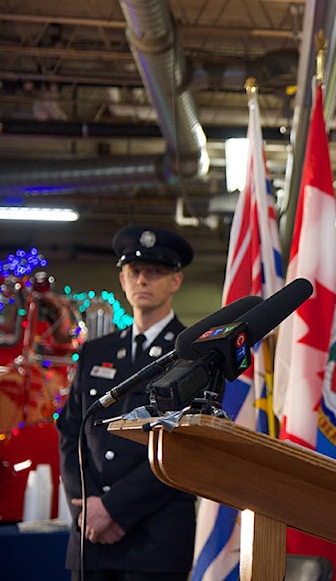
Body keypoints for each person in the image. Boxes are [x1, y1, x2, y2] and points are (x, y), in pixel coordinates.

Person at [57, 225, 198, 581]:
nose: (143, 281)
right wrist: (88, 508)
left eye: (156, 272)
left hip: (155, 539)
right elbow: (70, 431)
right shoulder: (95, 351)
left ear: (176, 281)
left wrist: (113, 510)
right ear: (122, 279)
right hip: (92, 536)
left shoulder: (192, 355)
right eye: (135, 272)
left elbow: (186, 450)